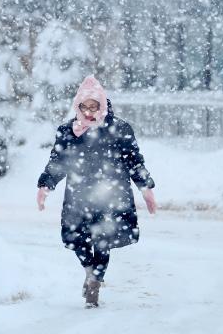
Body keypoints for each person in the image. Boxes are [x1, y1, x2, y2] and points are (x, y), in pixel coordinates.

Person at [36, 75, 156, 308]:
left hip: (111, 194)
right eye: (85, 107)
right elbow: (58, 161)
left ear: (103, 104)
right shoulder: (69, 130)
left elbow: (134, 161)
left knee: (103, 241)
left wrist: (146, 188)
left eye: (95, 106)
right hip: (78, 195)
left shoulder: (119, 128)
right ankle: (90, 271)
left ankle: (95, 282)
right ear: (78, 106)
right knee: (75, 237)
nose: (90, 112)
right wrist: (45, 185)